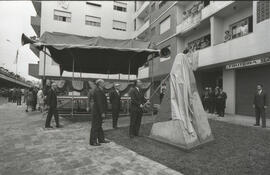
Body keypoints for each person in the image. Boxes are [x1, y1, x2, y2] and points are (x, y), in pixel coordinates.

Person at [89, 79, 110, 146]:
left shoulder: (100, 90)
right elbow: (99, 102)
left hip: (98, 111)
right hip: (97, 112)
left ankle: (101, 139)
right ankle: (93, 141)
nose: (104, 84)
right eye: (103, 83)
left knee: (99, 126)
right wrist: (102, 112)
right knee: (95, 126)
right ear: (100, 83)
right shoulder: (98, 90)